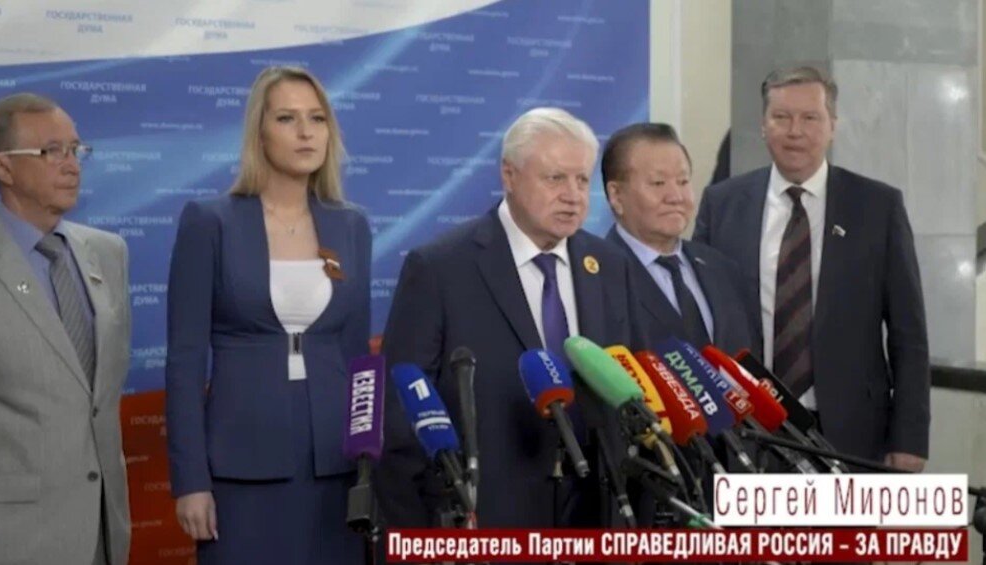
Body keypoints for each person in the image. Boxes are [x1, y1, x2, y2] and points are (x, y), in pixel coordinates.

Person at [376, 107, 642, 536]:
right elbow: (401, 417)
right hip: (486, 519)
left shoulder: (608, 265)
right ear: (509, 175)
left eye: (581, 180)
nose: (573, 195)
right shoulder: (442, 268)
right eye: (555, 178)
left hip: (592, 515)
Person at [165, 66, 371, 564]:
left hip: (335, 468)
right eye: (286, 118)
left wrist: (369, 467)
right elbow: (185, 362)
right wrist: (190, 481)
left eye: (317, 119)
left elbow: (359, 362)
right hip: (241, 466)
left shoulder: (351, 225)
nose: (306, 132)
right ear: (259, 132)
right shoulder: (210, 222)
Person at [694, 66, 930, 471]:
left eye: (810, 118)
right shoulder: (722, 204)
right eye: (781, 117)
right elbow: (699, 318)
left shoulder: (877, 207)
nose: (795, 131)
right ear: (763, 125)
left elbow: (909, 333)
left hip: (851, 433)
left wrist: (910, 437)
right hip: (747, 428)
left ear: (832, 126)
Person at [0, 93, 131, 564]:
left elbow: (99, 396)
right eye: (51, 151)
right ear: (2, 166)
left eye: (76, 149)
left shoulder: (108, 253)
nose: (72, 165)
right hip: (9, 537)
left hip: (104, 529)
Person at [602, 122, 758, 355]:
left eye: (683, 182)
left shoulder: (722, 269)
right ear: (616, 194)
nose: (676, 197)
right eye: (658, 183)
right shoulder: (597, 278)